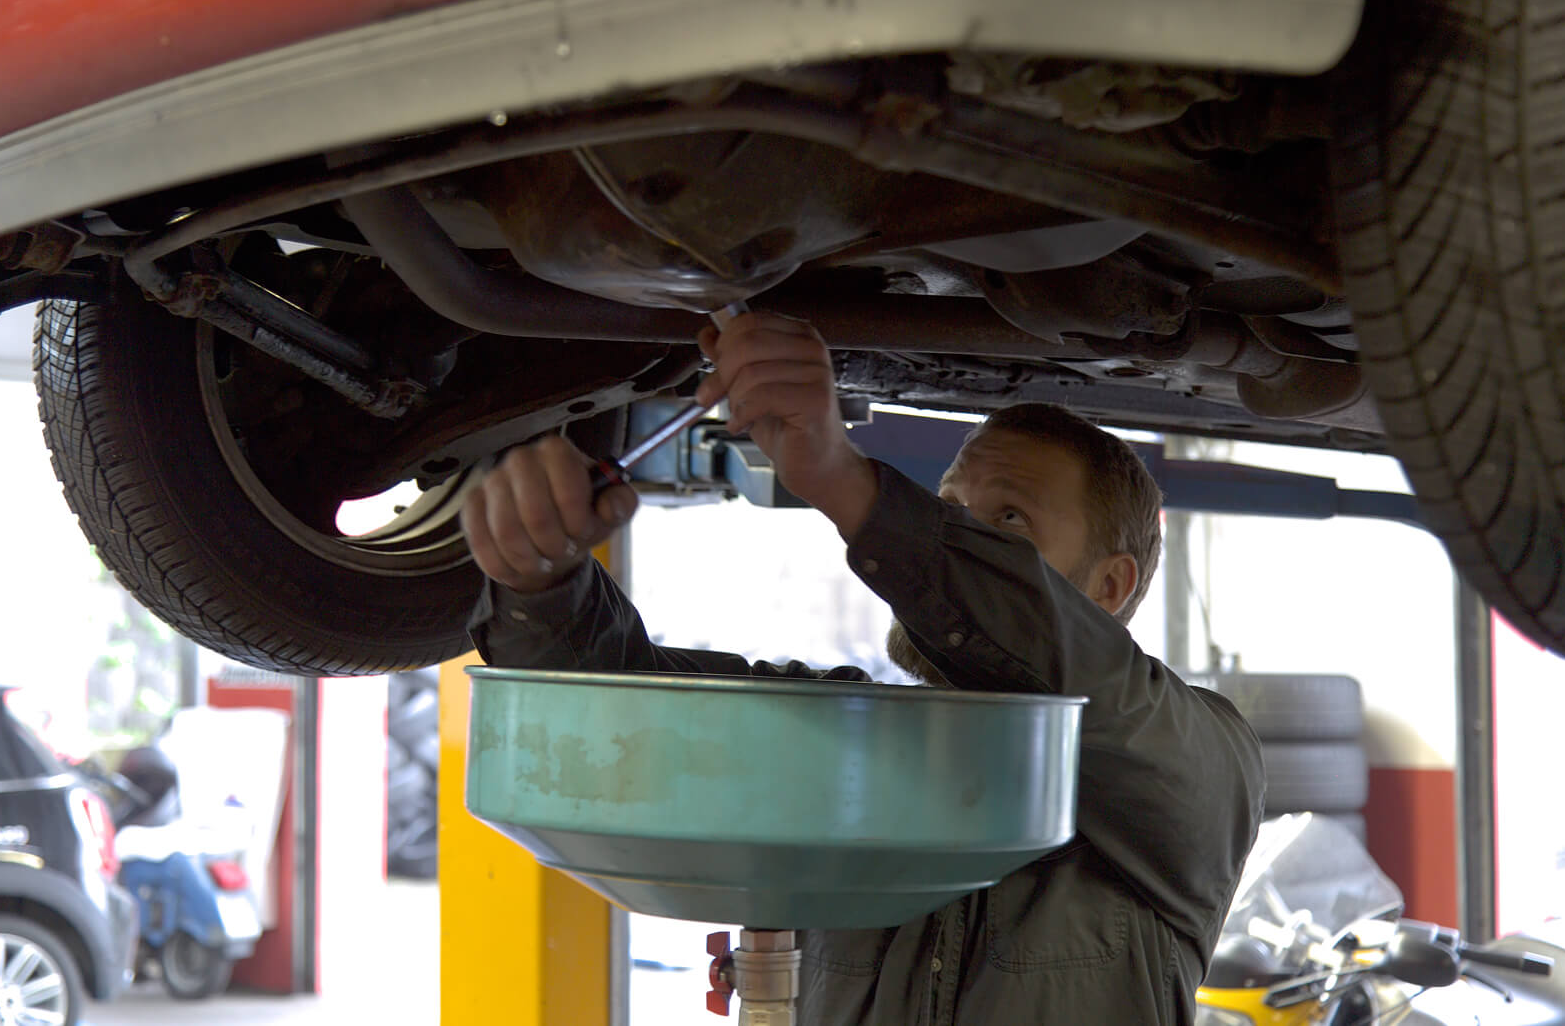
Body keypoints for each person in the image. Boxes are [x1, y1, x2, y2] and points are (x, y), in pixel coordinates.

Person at [462, 310, 1267, 1025]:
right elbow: (623, 709)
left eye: (1008, 523)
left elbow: (1079, 674)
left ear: (1110, 585)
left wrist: (848, 483)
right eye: (948, 510)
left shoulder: (1196, 764)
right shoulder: (850, 743)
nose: (956, 536)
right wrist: (544, 580)